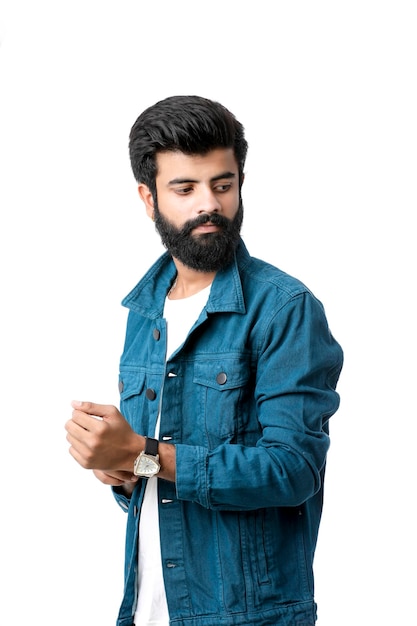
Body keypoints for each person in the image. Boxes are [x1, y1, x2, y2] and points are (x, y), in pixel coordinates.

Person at [65, 95, 343, 626]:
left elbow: (294, 470)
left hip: (247, 615)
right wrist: (122, 471)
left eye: (223, 184)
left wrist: (143, 451)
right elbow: (157, 481)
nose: (208, 205)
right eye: (185, 188)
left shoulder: (285, 309)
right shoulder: (144, 311)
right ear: (148, 199)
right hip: (149, 608)